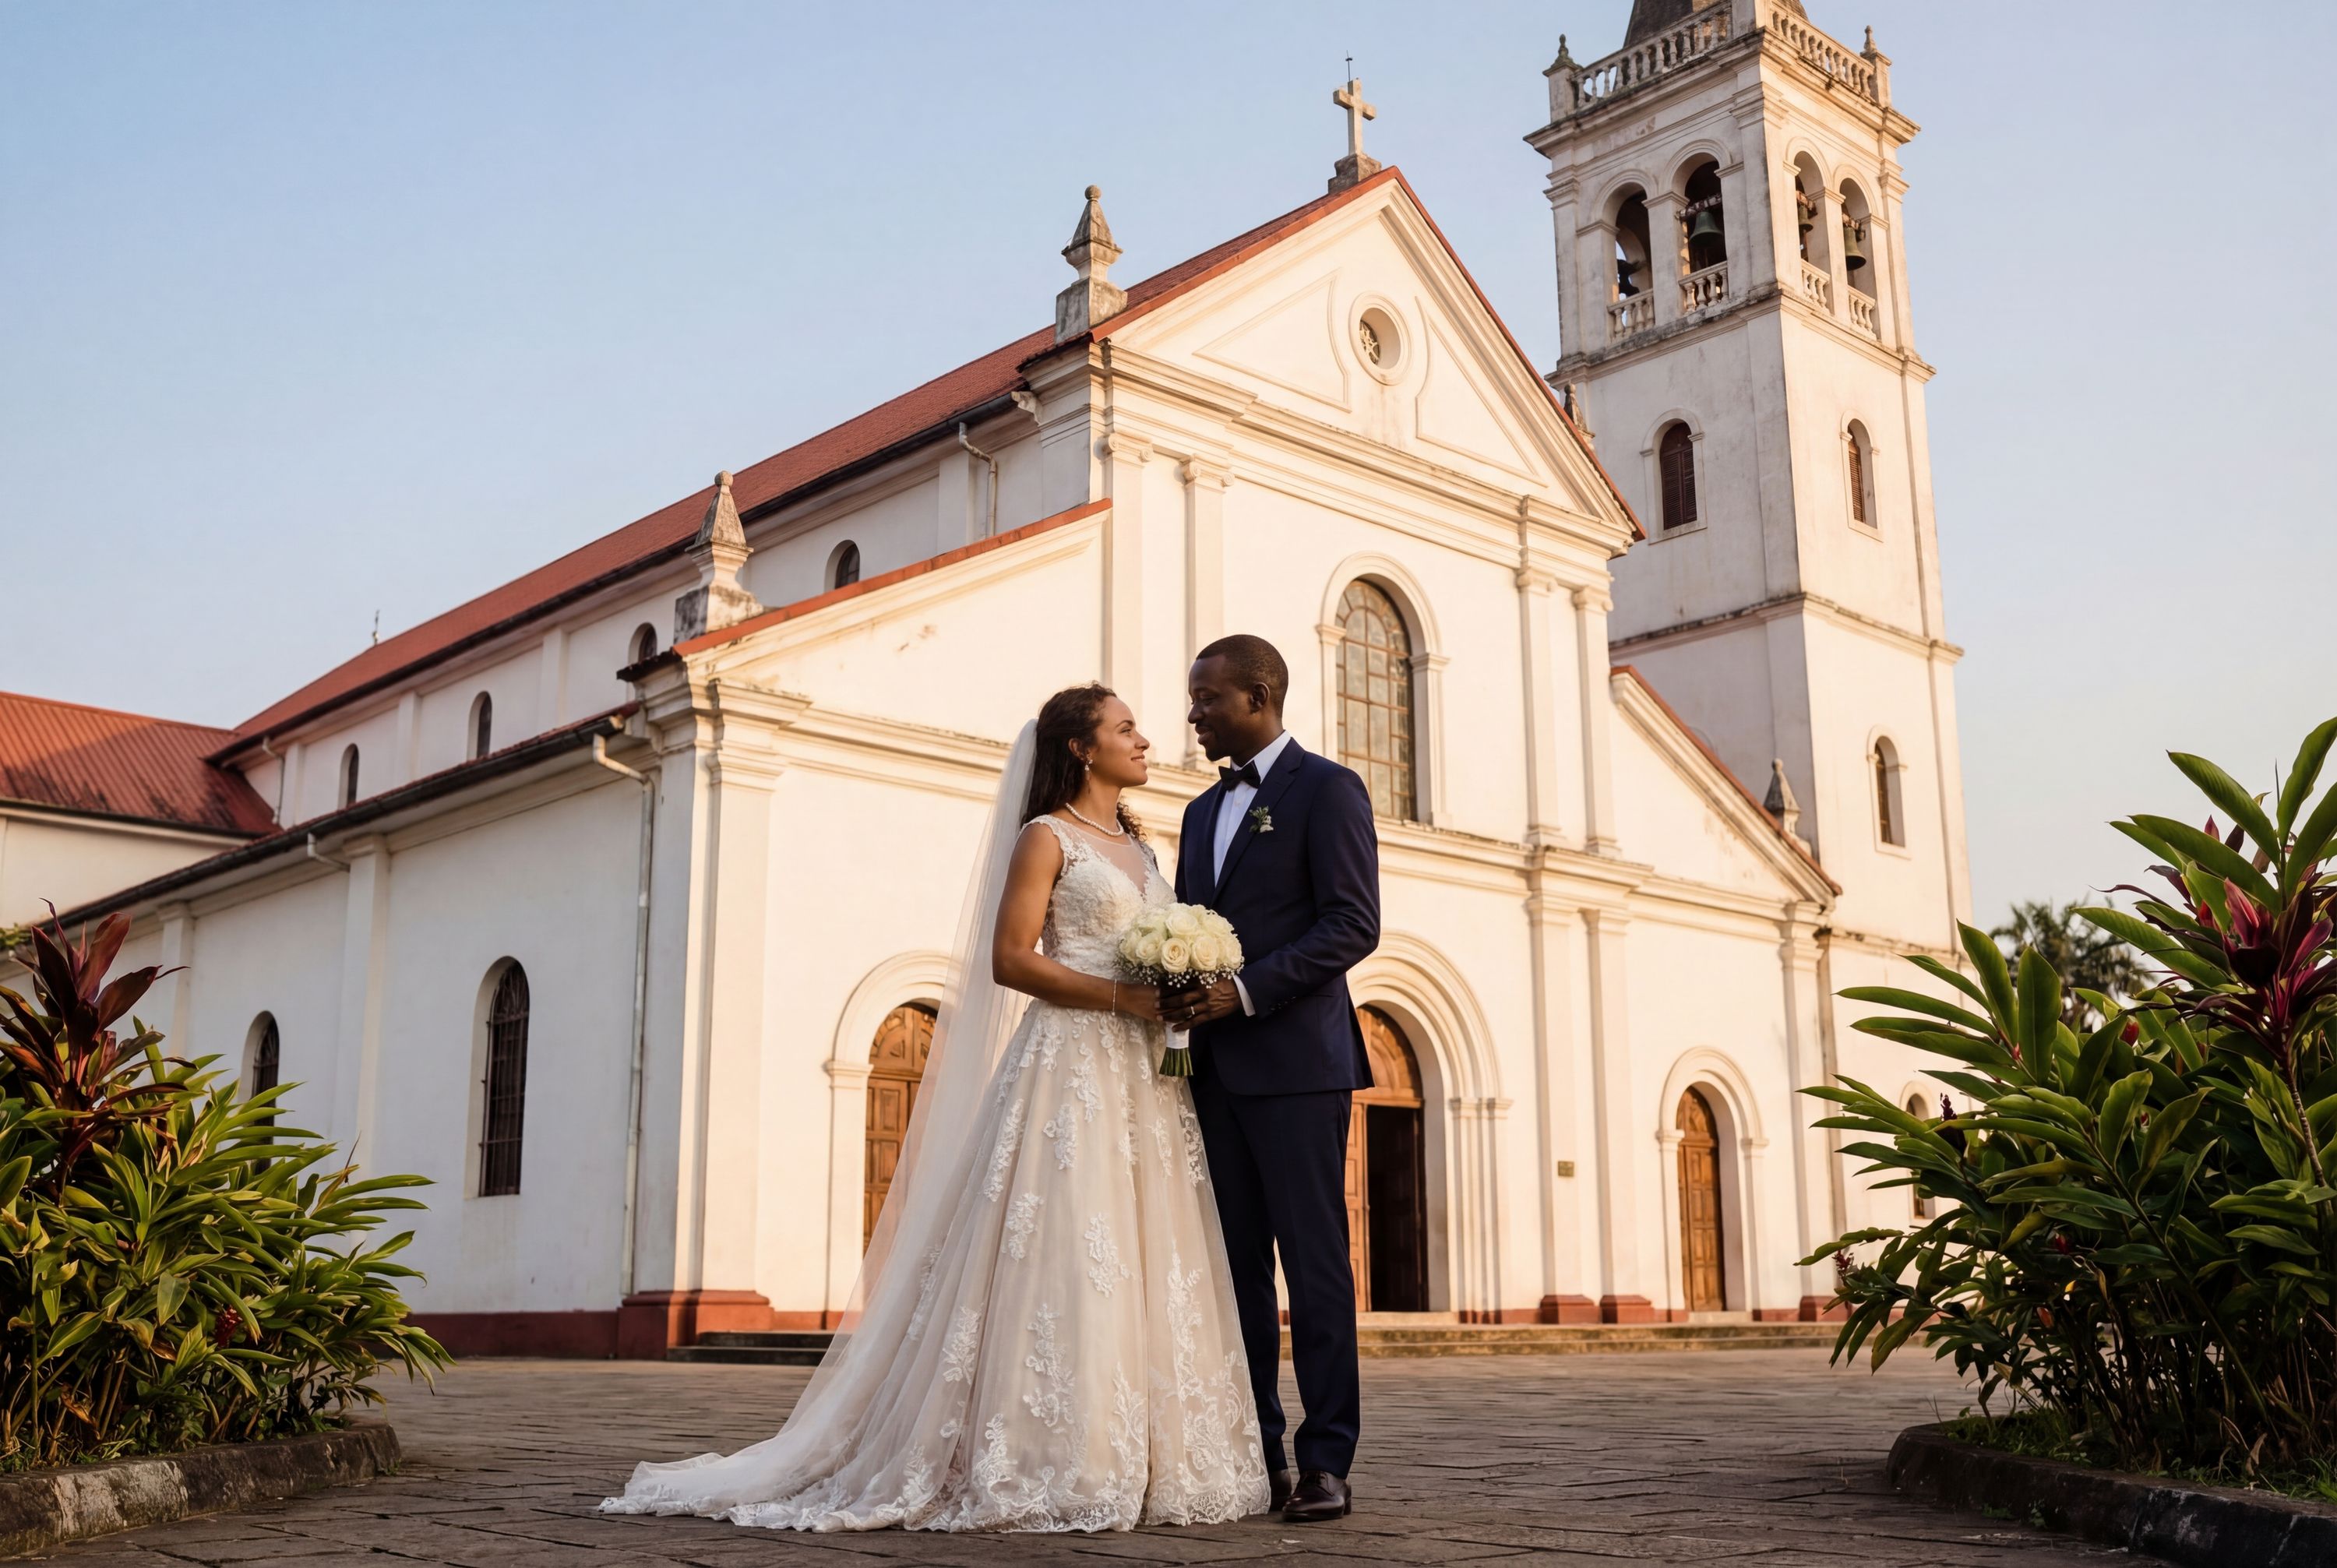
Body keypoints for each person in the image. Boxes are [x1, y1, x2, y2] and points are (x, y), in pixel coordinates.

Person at [601, 683, 1269, 1533]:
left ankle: (1145, 1450)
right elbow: (1009, 959)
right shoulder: (1047, 838)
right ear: (1079, 748)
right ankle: (1050, 1451)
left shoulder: (1142, 844)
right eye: (1125, 728)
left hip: (1144, 1073)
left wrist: (1174, 988)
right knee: (1066, 1238)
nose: (1145, 740)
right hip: (1072, 1061)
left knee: (1143, 1247)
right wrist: (1120, 997)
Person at [1165, 632, 1380, 1523]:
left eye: (1208, 699)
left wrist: (1246, 991)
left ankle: (1327, 1459)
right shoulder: (1194, 813)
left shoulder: (1328, 790)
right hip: (1210, 1076)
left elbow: (1352, 924)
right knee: (1235, 1273)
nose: (1193, 714)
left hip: (1297, 1068)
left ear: (1257, 697)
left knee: (1315, 1266)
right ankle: (1258, 1449)